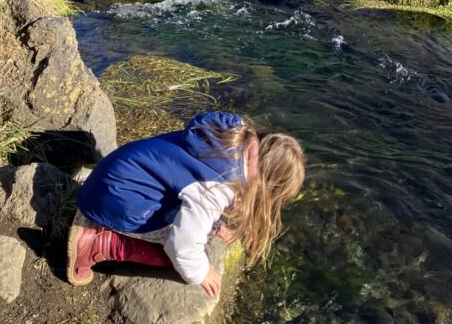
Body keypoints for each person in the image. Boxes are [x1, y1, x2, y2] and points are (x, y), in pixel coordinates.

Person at [66, 111, 305, 294]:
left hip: (112, 178)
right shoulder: (219, 185)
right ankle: (101, 244)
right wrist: (200, 273)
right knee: (178, 262)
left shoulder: (231, 136)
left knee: (193, 230)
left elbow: (189, 183)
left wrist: (215, 225)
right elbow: (182, 246)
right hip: (111, 199)